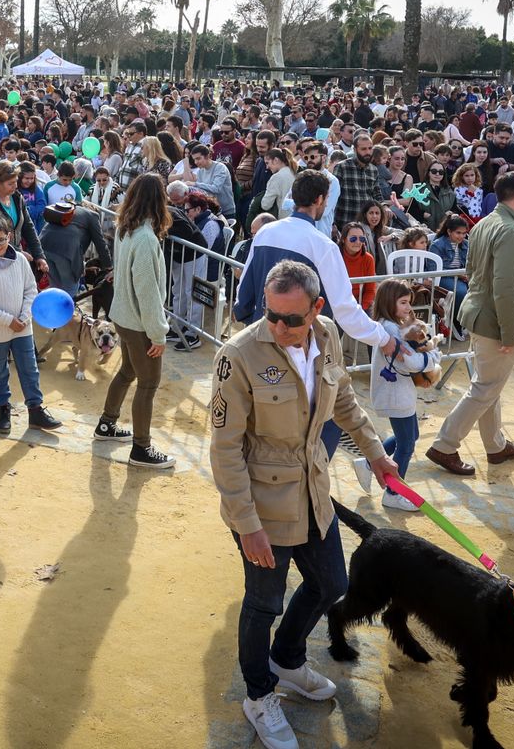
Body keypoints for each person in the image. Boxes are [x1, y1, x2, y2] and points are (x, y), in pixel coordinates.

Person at [210, 259, 396, 749]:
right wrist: (246, 523)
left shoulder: (329, 335)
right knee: (263, 603)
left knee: (332, 582)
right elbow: (224, 447)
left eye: (291, 318)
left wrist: (377, 454)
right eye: (271, 314)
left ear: (316, 308)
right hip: (261, 501)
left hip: (313, 487)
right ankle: (258, 694)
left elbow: (345, 402)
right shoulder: (240, 354)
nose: (278, 326)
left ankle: (287, 660)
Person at [424, 172, 514, 476]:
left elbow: (472, 270)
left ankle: (496, 446)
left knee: (490, 386)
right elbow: (505, 286)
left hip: (479, 313)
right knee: (485, 387)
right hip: (494, 320)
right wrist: (510, 332)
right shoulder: (510, 230)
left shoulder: (485, 222)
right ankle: (445, 445)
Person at [95, 173, 176, 469]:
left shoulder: (124, 228)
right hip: (140, 323)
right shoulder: (144, 238)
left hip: (123, 317)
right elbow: (147, 291)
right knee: (148, 383)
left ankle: (107, 424)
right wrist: (159, 333)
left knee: (127, 372)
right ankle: (141, 448)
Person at [0, 216, 62, 435]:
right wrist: (7, 321)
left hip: (22, 327)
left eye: (1, 240)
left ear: (10, 236)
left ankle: (35, 409)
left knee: (29, 369)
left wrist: (23, 317)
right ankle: (3, 408)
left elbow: (30, 290)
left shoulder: (21, 260)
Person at [367, 278, 443, 510]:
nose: (408, 307)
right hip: (395, 394)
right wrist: (433, 358)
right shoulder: (390, 329)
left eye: (408, 302)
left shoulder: (390, 325)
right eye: (402, 302)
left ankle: (370, 464)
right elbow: (410, 361)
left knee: (410, 436)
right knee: (406, 444)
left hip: (400, 393)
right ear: (389, 302)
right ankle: (393, 492)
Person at [39, 198, 110, 300]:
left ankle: (56, 314)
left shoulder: (67, 210)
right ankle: (66, 314)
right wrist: (108, 266)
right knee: (70, 288)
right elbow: (100, 243)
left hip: (43, 246)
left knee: (55, 287)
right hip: (65, 251)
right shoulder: (92, 215)